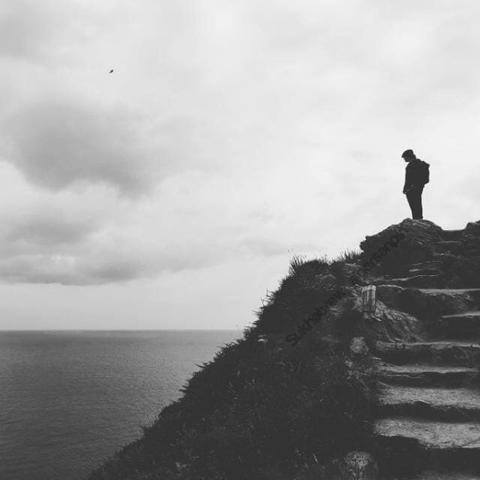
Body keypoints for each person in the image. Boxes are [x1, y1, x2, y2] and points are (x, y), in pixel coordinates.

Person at [402, 149, 430, 220]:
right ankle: (418, 219)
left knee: (415, 204)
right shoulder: (421, 164)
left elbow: (409, 179)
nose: (404, 159)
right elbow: (425, 179)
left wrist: (408, 188)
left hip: (412, 189)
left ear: (408, 157)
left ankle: (417, 220)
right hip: (417, 187)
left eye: (405, 157)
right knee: (417, 204)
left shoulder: (412, 166)